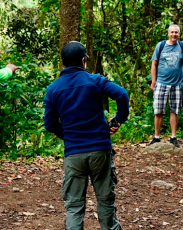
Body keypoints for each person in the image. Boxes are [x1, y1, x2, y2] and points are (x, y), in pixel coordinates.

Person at [44, 41, 129, 229]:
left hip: (74, 154)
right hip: (100, 150)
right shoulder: (95, 80)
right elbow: (122, 94)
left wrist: (68, 136)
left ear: (63, 62)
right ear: (83, 61)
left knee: (74, 206)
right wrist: (118, 120)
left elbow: (49, 124)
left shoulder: (53, 89)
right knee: (106, 201)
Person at [150, 24, 183, 147]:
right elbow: (154, 64)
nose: (174, 34)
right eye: (172, 32)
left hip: (177, 84)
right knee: (158, 111)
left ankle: (173, 137)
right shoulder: (161, 46)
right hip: (161, 82)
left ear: (179, 33)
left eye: (176, 32)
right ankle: (156, 136)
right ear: (168, 33)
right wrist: (153, 81)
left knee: (175, 111)